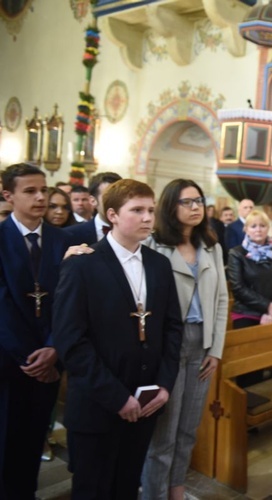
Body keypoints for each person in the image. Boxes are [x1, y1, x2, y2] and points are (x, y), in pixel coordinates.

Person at [53, 179, 183, 499]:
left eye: (151, 210)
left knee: (126, 487)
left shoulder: (159, 264)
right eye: (136, 210)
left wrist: (164, 385)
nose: (147, 218)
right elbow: (71, 341)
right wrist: (116, 398)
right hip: (98, 404)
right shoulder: (83, 265)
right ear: (112, 214)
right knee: (92, 489)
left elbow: (172, 327)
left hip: (144, 403)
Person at [141, 179, 228, 500]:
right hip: (167, 344)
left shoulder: (212, 246)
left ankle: (176, 490)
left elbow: (221, 300)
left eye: (199, 201)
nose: (195, 208)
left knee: (188, 428)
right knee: (163, 434)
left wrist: (215, 349)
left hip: (201, 343)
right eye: (187, 202)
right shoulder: (154, 245)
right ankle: (154, 494)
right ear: (170, 207)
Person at [0, 163, 69, 499]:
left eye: (43, 189)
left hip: (51, 360)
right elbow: (1, 305)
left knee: (33, 439)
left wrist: (54, 348)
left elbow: (71, 301)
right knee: (6, 439)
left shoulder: (63, 239)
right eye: (30, 191)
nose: (41, 197)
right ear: (8, 195)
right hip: (9, 360)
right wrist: (29, 357)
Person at [226, 209, 272, 329]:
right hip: (246, 313)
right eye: (253, 226)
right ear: (246, 229)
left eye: (262, 225)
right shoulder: (236, 253)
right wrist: (267, 306)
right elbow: (238, 288)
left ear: (268, 228)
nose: (258, 230)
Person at [64, 171, 122, 245]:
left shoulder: (136, 231)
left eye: (121, 196)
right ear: (93, 201)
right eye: (108, 196)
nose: (116, 201)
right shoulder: (70, 235)